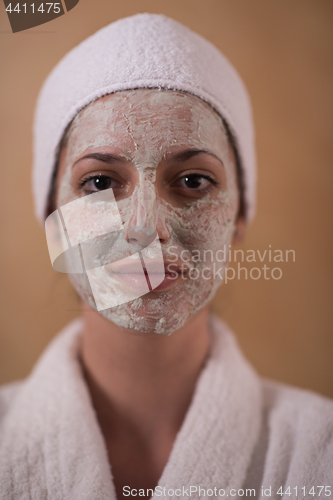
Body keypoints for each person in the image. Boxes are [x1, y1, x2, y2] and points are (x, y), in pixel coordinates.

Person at [0, 14, 332, 500]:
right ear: (54, 217)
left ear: (240, 215)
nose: (145, 228)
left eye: (194, 181)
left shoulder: (319, 450)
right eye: (99, 183)